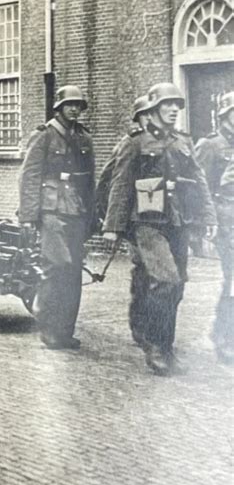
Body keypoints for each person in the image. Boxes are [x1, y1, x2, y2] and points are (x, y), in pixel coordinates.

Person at [103, 83, 217, 375]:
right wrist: (112, 226)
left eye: (177, 105)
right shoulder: (134, 143)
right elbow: (120, 185)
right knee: (165, 280)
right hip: (146, 222)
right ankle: (157, 347)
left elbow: (199, 180)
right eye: (167, 105)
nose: (173, 110)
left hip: (177, 221)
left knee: (176, 284)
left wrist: (208, 217)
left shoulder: (183, 141)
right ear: (152, 111)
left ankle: (156, 337)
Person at [18, 85, 95, 350]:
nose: (74, 109)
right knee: (57, 265)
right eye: (69, 105)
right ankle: (48, 328)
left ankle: (64, 331)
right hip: (50, 209)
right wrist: (29, 215)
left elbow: (89, 179)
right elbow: (29, 176)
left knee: (73, 271)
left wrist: (93, 214)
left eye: (78, 105)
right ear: (59, 108)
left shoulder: (84, 138)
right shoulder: (45, 136)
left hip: (76, 208)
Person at [96, 94, 152, 347]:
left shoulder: (169, 142)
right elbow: (114, 183)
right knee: (145, 269)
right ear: (139, 118)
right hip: (137, 218)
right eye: (147, 114)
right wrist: (113, 225)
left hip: (163, 219)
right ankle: (140, 325)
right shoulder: (130, 144)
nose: (152, 118)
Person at [195, 91, 234, 363]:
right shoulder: (212, 145)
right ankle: (223, 337)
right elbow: (198, 185)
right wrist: (204, 225)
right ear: (226, 116)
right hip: (227, 219)